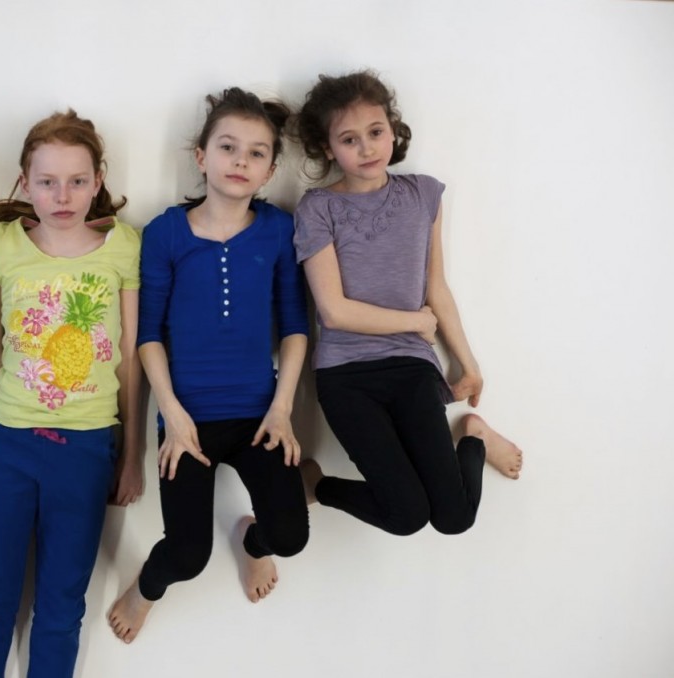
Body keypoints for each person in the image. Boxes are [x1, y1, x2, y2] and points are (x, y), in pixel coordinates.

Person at [108, 88, 310, 644]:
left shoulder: (277, 230)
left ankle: (252, 541)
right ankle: (145, 589)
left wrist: (283, 408)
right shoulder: (165, 233)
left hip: (259, 415)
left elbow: (295, 327)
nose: (240, 161)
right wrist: (171, 415)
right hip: (187, 419)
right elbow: (148, 335)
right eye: (227, 147)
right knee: (187, 555)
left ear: (270, 170)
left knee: (290, 537)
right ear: (201, 156)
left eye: (256, 153)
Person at [292, 71, 523, 539]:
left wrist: (468, 364)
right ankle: (319, 486)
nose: (367, 148)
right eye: (349, 139)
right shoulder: (317, 208)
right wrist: (415, 321)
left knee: (454, 518)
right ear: (327, 148)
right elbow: (334, 311)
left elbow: (436, 287)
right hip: (345, 376)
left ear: (393, 130)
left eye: (376, 131)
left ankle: (474, 436)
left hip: (412, 368)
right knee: (407, 516)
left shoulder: (422, 194)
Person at [0, 109, 143, 678]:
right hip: (7, 444)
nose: (62, 196)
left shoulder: (123, 246)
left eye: (77, 181)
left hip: (86, 448)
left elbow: (131, 355)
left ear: (98, 180)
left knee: (62, 606)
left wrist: (132, 454)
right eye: (47, 181)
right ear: (24, 182)